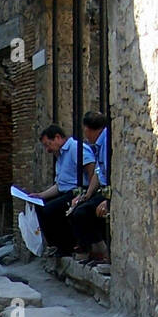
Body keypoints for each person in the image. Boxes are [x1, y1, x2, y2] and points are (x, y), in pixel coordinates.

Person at [31, 124, 96, 257]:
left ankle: (66, 246)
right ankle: (55, 244)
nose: (48, 149)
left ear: (58, 138)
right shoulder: (59, 156)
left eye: (48, 144)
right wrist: (40, 195)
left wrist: (89, 192)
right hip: (66, 191)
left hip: (78, 190)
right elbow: (60, 185)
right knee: (40, 207)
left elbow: (91, 169)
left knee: (51, 210)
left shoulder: (75, 148)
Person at [68, 111, 110, 261]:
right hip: (102, 190)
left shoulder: (107, 143)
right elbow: (98, 172)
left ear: (88, 129)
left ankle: (97, 249)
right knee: (76, 208)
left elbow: (110, 173)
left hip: (109, 192)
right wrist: (87, 195)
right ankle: (92, 247)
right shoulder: (99, 144)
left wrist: (108, 201)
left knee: (82, 214)